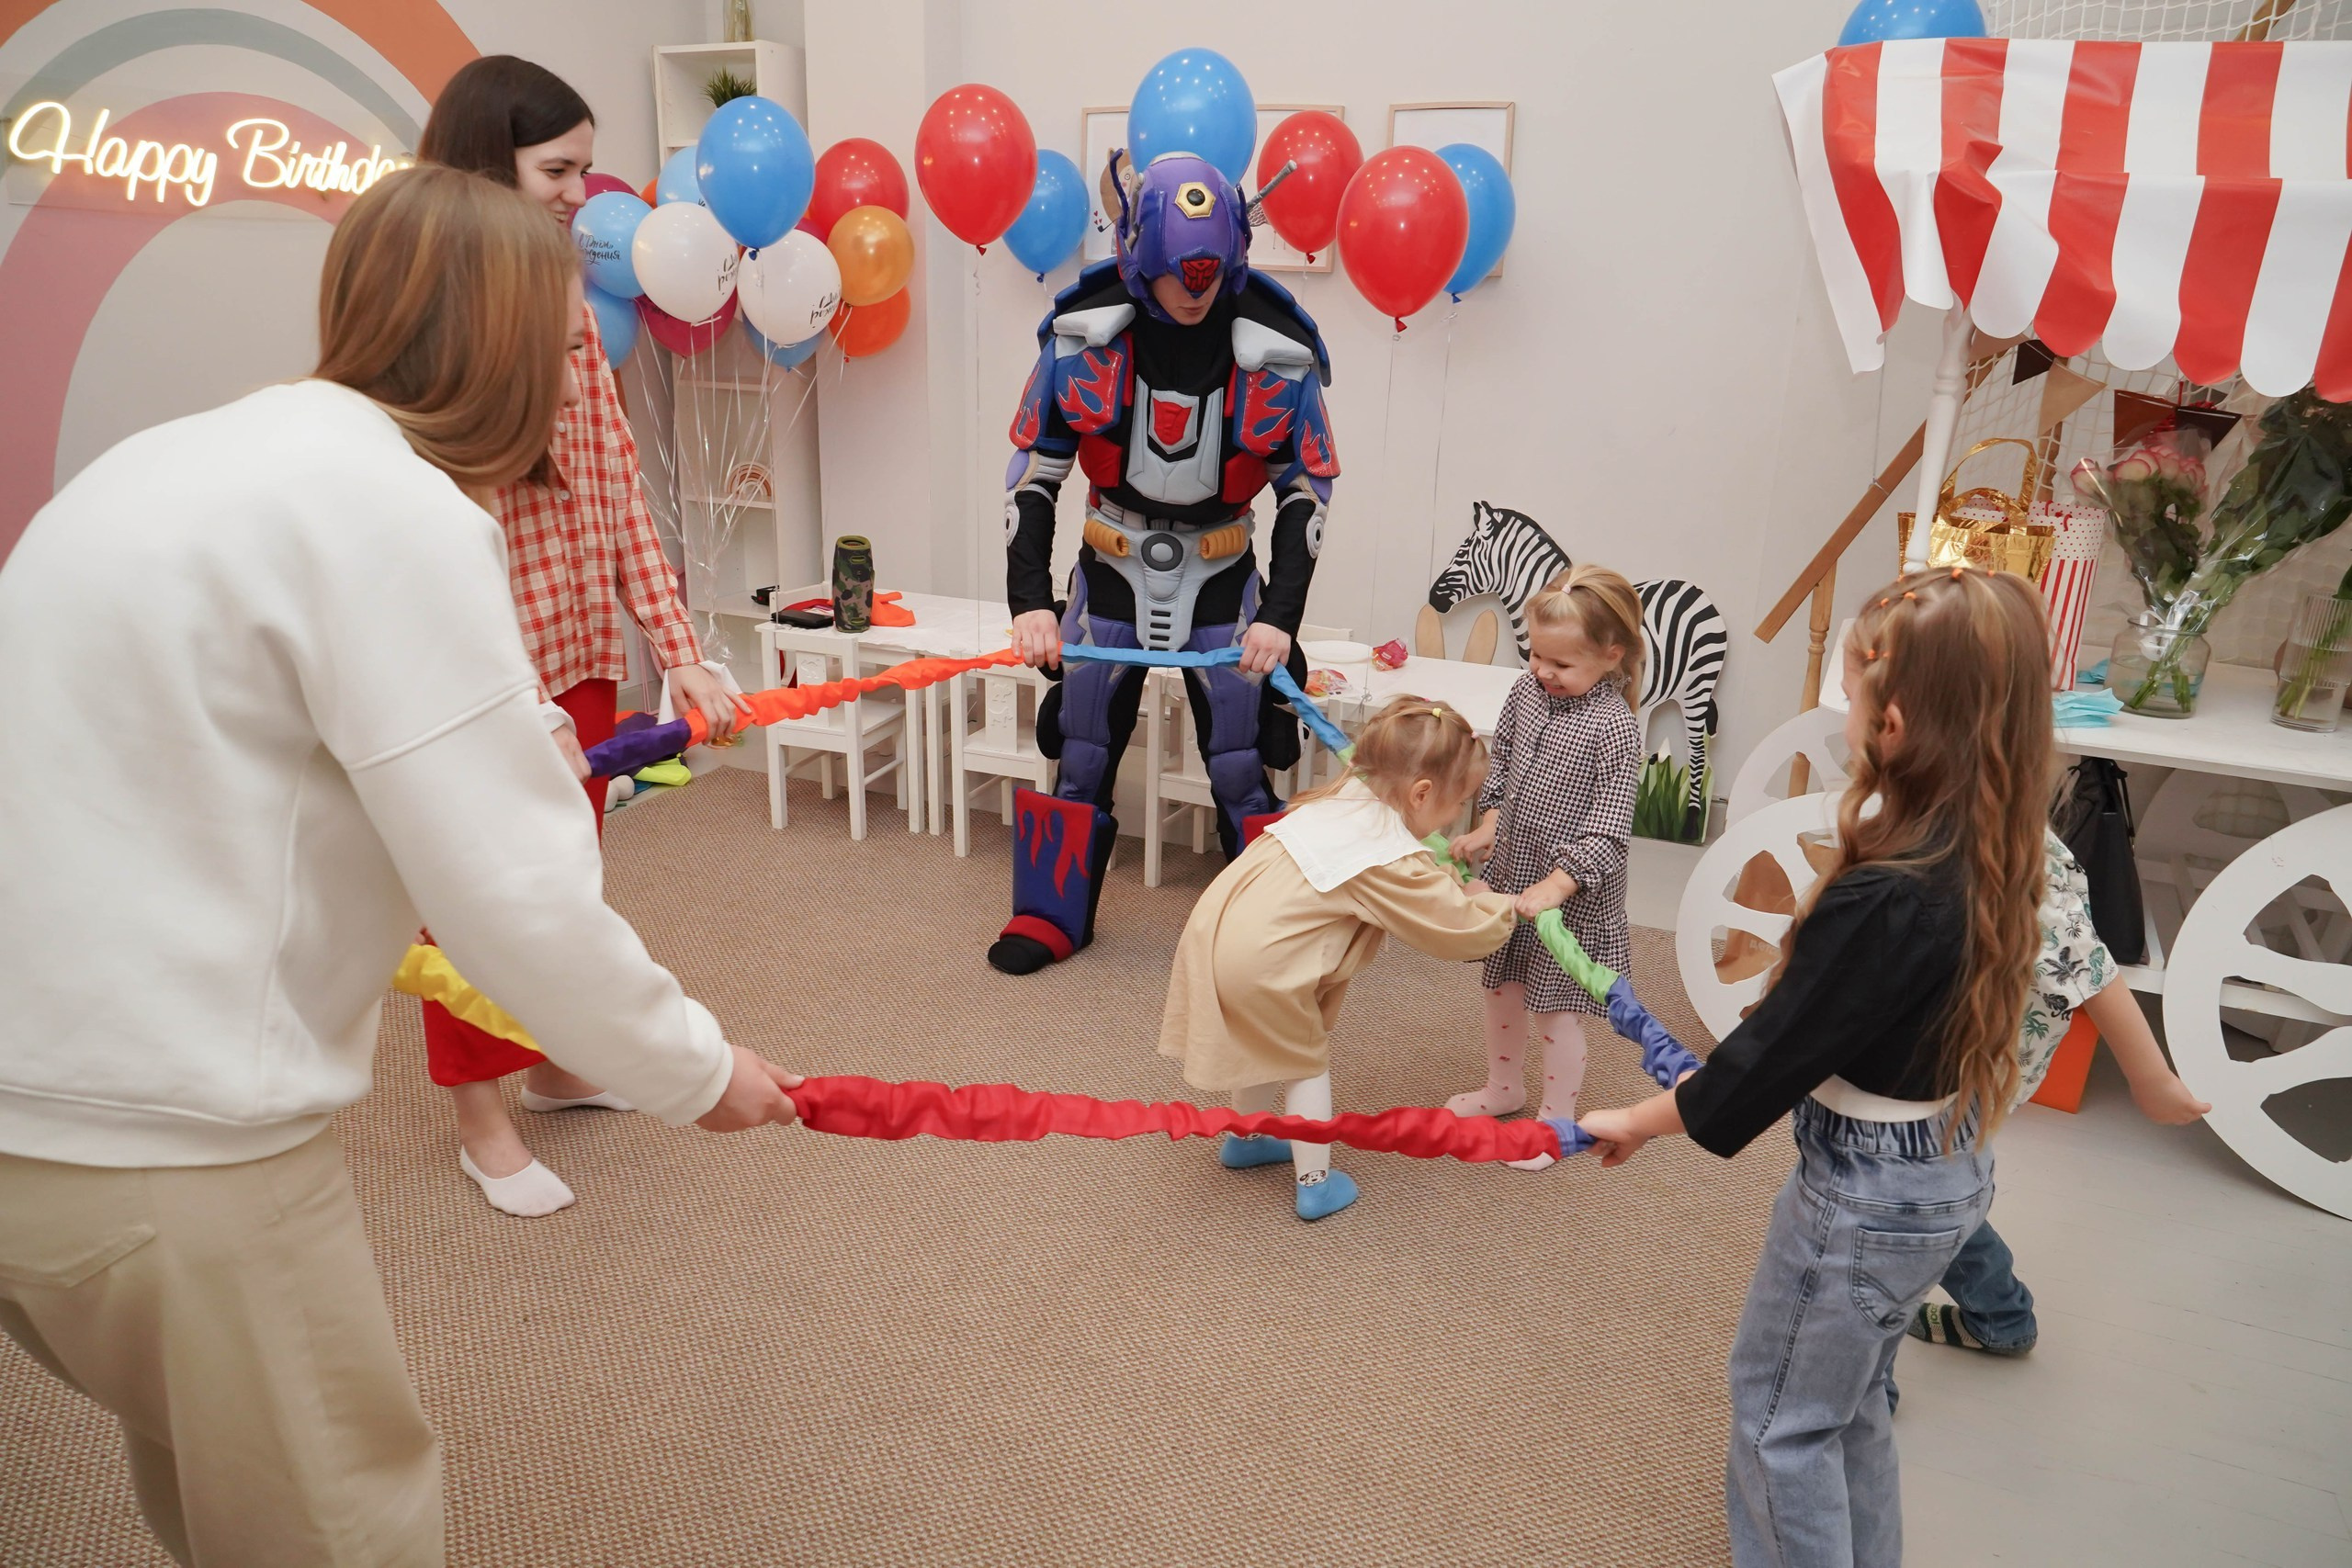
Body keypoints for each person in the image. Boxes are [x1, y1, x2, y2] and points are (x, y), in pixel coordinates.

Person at [0, 165, 801, 1568]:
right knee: (343, 1524)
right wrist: (695, 1066)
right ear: (504, 352)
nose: (580, 382)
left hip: (41, 1123)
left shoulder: (190, 457)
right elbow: (514, 896)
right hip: (171, 1143)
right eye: (567, 349)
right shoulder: (395, 512)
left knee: (218, 1495)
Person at [1577, 565, 2049, 1568]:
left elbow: (1767, 1061)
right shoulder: (1989, 842)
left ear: (1894, 725)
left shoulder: (1886, 894)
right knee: (1849, 1404)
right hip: (1944, 1166)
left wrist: (1642, 1119)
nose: (1846, 718)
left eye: (1854, 699)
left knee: (1779, 1423)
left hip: (1865, 1199)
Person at [413, 56, 748, 1216]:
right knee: (470, 896)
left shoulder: (561, 285)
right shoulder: (435, 311)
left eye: (583, 169)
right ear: (484, 161)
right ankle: (480, 1118)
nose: (577, 192)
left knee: (565, 884)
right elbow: (437, 537)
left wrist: (676, 646)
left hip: (579, 654)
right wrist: (511, 698)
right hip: (476, 675)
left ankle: (554, 1065)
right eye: (556, 169)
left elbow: (614, 486)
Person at [989, 147, 1340, 976]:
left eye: (1209, 274)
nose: (1195, 289)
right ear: (1139, 254)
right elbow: (1034, 477)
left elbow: (1305, 495)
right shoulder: (1081, 339)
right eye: (1180, 273)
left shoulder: (1275, 347)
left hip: (1223, 575)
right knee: (1081, 749)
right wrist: (1029, 599)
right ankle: (1048, 915)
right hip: (1111, 563)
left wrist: (1281, 618)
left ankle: (1266, 936)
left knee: (1241, 762)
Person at [1159, 699, 1517, 1220]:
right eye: (1458, 803)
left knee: (1259, 1041)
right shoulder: (1384, 856)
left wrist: (1444, 877)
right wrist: (1494, 905)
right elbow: (1455, 929)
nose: (1453, 817)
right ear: (1420, 794)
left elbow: (1416, 869)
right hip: (1264, 964)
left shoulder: (1345, 798)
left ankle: (1247, 1138)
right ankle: (1316, 1186)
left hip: (1219, 932)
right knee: (1304, 1062)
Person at [1899, 831, 2209, 1364]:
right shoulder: (1957, 825)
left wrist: (2151, 1078)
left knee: (1926, 1192)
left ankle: (1998, 1316)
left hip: (1956, 1072)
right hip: (1934, 1061)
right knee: (1933, 1185)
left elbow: (2088, 969)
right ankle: (1998, 1313)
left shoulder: (2005, 847)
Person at [1443, 565, 1645, 1172]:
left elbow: (1609, 829)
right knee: (1501, 988)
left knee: (1555, 1011)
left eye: (1561, 663)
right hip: (1514, 873)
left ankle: (1557, 1125)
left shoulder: (1615, 728)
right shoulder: (1525, 693)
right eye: (1536, 655)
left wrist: (1558, 884)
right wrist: (1488, 824)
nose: (1542, 671)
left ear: (1611, 656)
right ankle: (1503, 1087)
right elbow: (1503, 763)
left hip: (1571, 897)